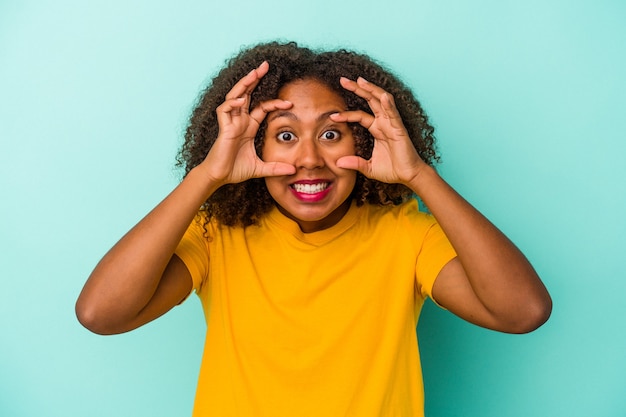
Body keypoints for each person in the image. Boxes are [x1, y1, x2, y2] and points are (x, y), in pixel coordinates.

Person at [75, 41, 552, 416]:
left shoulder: (406, 234)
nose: (308, 159)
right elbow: (101, 314)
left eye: (330, 133)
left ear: (363, 140)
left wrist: (419, 175)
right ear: (252, 146)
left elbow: (523, 311)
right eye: (285, 135)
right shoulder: (216, 235)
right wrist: (207, 175)